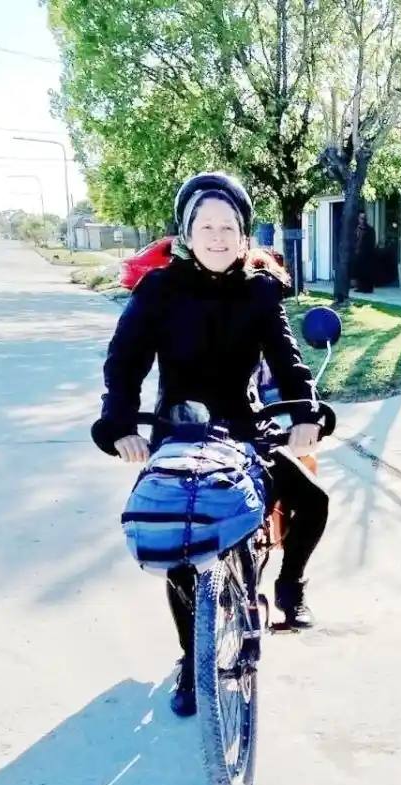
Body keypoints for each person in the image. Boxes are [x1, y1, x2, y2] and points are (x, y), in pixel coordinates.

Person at [91, 171, 330, 717]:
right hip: (177, 434)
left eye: (228, 226)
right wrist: (120, 424)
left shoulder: (260, 291)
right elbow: (124, 362)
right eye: (206, 226)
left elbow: (288, 361)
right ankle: (191, 660)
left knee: (312, 501)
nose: (217, 236)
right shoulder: (158, 289)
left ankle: (290, 587)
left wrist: (305, 412)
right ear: (186, 232)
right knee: (179, 550)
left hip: (243, 432)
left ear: (243, 235)